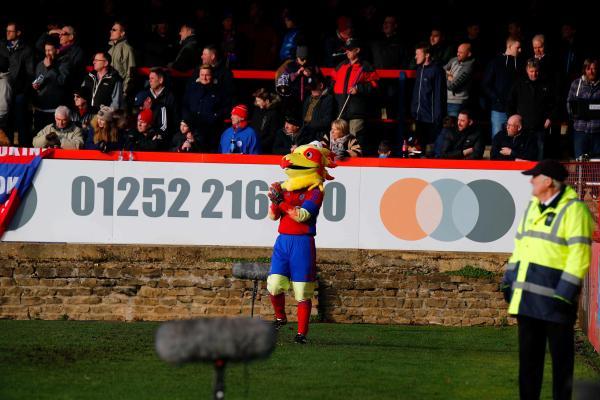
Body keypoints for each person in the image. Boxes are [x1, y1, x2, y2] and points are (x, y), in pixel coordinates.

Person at [501, 159, 593, 400]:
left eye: (535, 176)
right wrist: (509, 278)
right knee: (528, 366)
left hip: (556, 302)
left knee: (562, 367)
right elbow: (520, 246)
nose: (530, 180)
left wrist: (564, 294)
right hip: (528, 301)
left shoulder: (575, 210)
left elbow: (579, 256)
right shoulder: (532, 206)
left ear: (548, 181)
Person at [267, 143, 336, 344]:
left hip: (302, 243)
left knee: (301, 290)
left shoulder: (316, 191)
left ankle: (301, 334)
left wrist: (280, 201)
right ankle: (280, 317)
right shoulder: (285, 188)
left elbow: (302, 215)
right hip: (283, 241)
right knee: (274, 284)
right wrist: (273, 199)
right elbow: (272, 217)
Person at [332, 38, 379, 155]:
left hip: (356, 112)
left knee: (355, 141)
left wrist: (359, 89)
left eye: (349, 50)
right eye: (346, 50)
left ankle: (356, 165)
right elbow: (332, 83)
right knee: (339, 141)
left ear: (357, 50)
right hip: (341, 111)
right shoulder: (340, 66)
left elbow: (375, 85)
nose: (346, 52)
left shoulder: (366, 66)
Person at [508, 58, 557, 160]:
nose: (534, 74)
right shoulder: (519, 84)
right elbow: (510, 104)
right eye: (531, 71)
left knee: (540, 156)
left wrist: (550, 118)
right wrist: (514, 120)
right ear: (527, 70)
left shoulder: (547, 84)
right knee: (522, 157)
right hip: (523, 129)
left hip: (540, 128)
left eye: (536, 71)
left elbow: (555, 104)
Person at [482, 37, 523, 138]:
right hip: (499, 110)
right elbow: (486, 84)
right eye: (517, 48)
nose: (520, 50)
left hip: (515, 110)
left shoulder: (520, 64)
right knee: (497, 138)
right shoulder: (495, 63)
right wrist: (497, 98)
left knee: (514, 140)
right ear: (509, 46)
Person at [411, 42, 447, 152]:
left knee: (430, 149)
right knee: (418, 148)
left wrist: (437, 116)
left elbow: (439, 95)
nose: (415, 57)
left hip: (430, 118)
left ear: (427, 55)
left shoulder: (436, 70)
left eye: (418, 54)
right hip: (418, 116)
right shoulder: (419, 69)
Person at [567, 58, 600, 159]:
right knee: (580, 163)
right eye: (588, 69)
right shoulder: (576, 84)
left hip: (597, 131)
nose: (591, 71)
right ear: (584, 70)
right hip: (580, 131)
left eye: (594, 69)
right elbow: (569, 103)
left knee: (596, 164)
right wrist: (575, 114)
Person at [445, 43, 475, 117]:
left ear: (469, 54)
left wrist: (448, 76)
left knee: (453, 126)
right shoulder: (454, 60)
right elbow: (442, 70)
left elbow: (451, 86)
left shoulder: (468, 68)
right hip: (446, 100)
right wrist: (449, 76)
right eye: (458, 51)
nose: (458, 54)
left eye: (461, 52)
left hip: (457, 103)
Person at [108, 22, 136, 101]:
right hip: (110, 90)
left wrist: (124, 92)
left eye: (114, 30)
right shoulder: (110, 49)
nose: (111, 31)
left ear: (122, 33)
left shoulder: (127, 49)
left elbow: (131, 72)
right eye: (111, 29)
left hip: (119, 92)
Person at [251, 88, 283, 154]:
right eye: (256, 101)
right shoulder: (257, 111)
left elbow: (273, 134)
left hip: (266, 149)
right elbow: (253, 127)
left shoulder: (274, 114)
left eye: (259, 101)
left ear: (267, 101)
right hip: (255, 146)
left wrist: (261, 145)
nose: (257, 103)